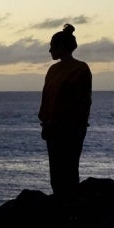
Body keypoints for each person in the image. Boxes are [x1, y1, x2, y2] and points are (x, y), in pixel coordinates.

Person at [38, 23, 92, 200]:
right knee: (56, 173)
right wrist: (45, 122)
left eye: (52, 46)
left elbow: (83, 101)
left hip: (71, 129)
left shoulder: (81, 69)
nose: (50, 50)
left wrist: (78, 125)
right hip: (53, 128)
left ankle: (71, 211)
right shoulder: (53, 70)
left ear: (61, 47)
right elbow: (46, 98)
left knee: (69, 171)